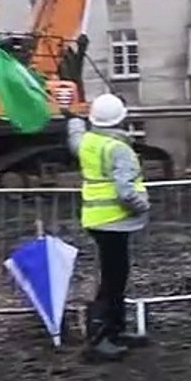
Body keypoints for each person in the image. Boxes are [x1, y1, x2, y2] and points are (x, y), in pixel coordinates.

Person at [67, 93, 150, 362]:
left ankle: (114, 331)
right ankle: (100, 338)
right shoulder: (119, 149)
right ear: (121, 118)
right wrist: (143, 205)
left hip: (97, 219)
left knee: (114, 276)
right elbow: (126, 192)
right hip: (116, 220)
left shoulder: (89, 142)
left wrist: (73, 118)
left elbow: (75, 138)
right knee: (113, 280)